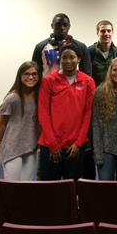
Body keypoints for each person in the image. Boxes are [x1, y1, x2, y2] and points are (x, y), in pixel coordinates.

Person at [38, 43, 95, 180]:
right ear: (60, 59)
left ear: (79, 59)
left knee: (74, 188)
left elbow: (87, 114)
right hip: (51, 145)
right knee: (51, 189)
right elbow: (43, 112)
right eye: (64, 58)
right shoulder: (49, 80)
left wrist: (79, 143)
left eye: (72, 57)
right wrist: (52, 143)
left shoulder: (88, 82)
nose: (68, 61)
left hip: (75, 146)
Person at [0, 61, 41, 181]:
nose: (30, 77)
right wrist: (3, 143)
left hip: (31, 147)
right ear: (20, 76)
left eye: (34, 74)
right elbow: (0, 125)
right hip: (12, 147)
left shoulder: (40, 97)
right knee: (12, 185)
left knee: (26, 184)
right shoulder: (12, 99)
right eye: (26, 74)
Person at [32, 13, 91, 77]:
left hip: (72, 86)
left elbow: (87, 74)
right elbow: (34, 72)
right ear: (52, 26)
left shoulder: (80, 47)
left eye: (65, 25)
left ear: (69, 26)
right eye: (58, 25)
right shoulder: (40, 47)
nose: (62, 28)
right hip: (48, 86)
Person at [87, 20, 117, 87]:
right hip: (95, 93)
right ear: (97, 33)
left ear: (112, 33)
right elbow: (85, 76)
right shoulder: (89, 52)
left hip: (115, 92)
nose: (106, 34)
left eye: (109, 31)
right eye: (102, 31)